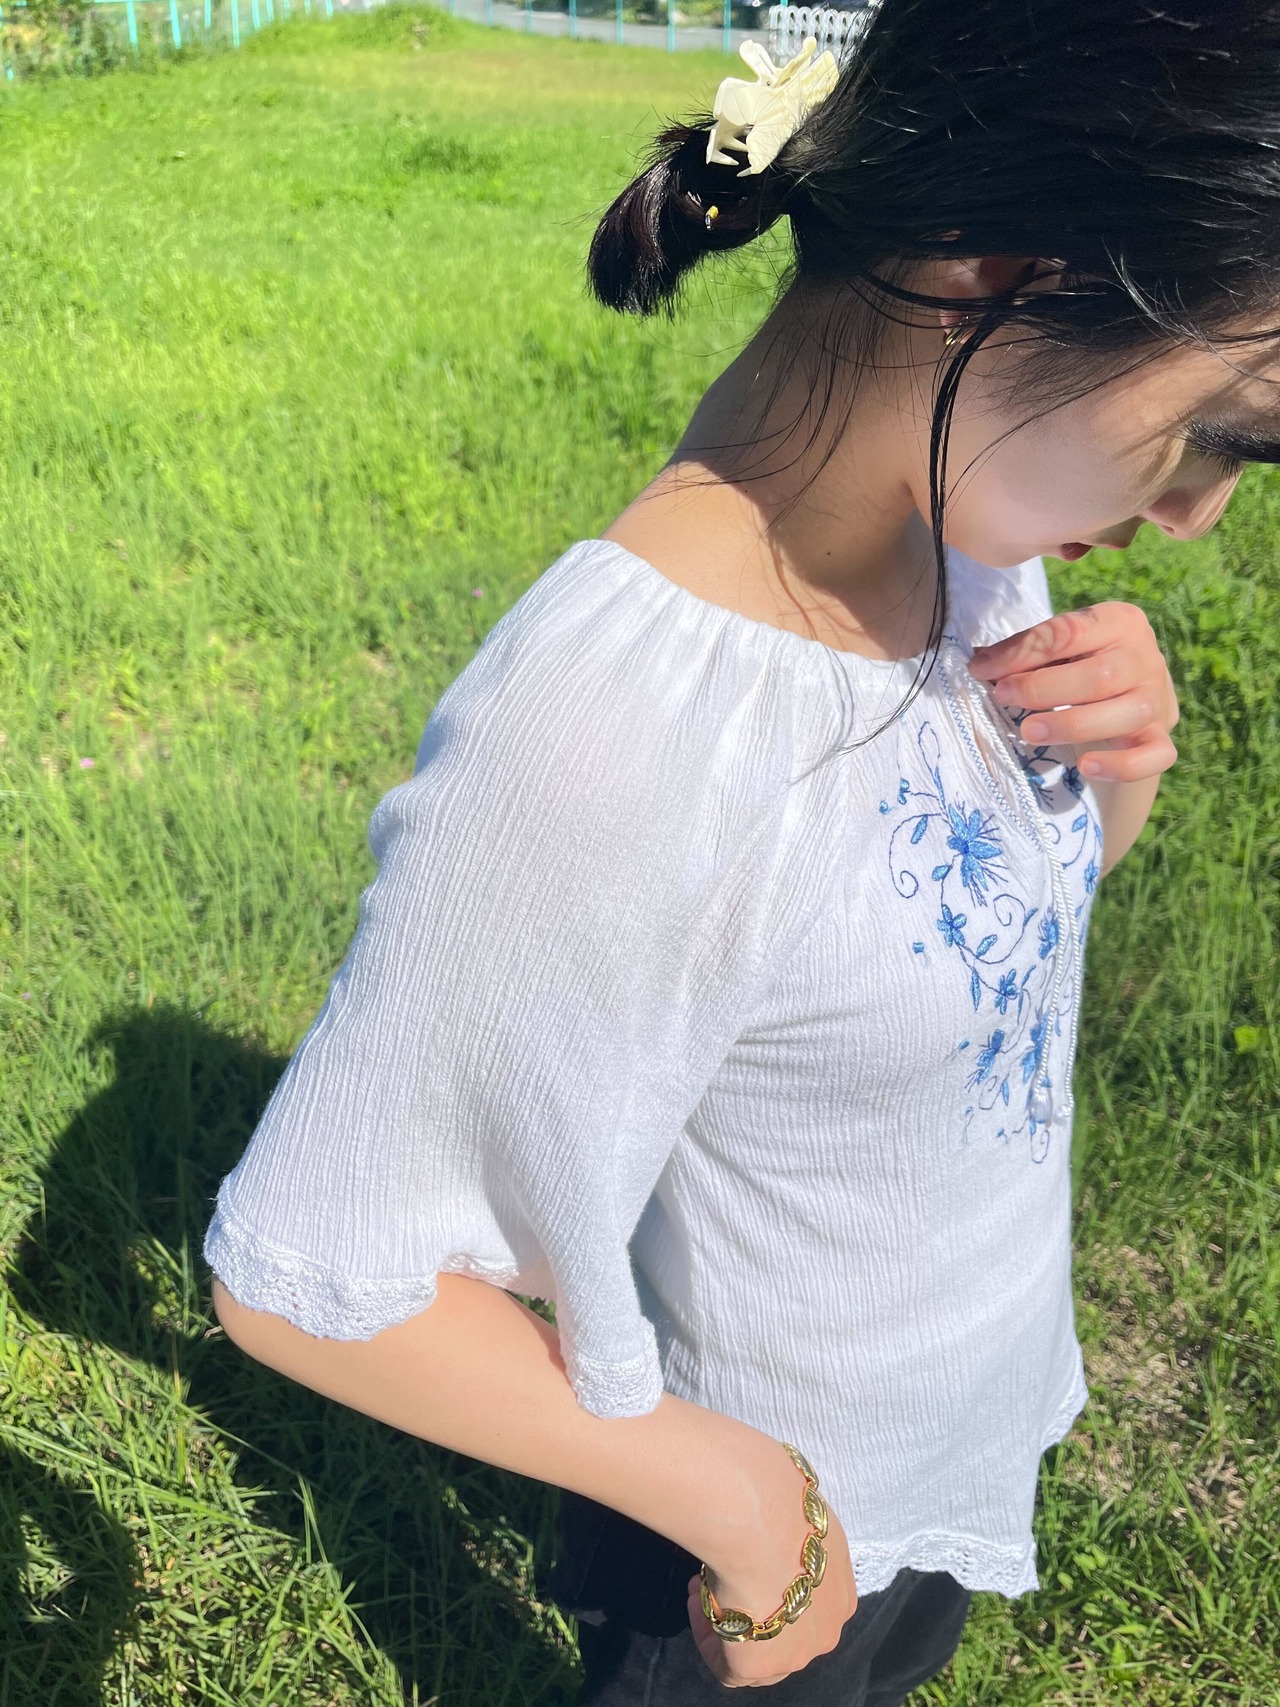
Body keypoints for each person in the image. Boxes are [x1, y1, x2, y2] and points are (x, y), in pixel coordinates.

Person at [203, 0, 1280, 1698]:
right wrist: (737, 1497)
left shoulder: (969, 525)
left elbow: (958, 944)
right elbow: (315, 1273)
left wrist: (1107, 771)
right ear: (1005, 273)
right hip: (750, 1535)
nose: (1201, 512)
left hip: (934, 1430)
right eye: (1222, 430)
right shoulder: (624, 725)